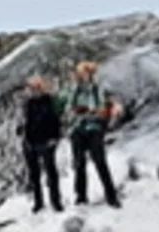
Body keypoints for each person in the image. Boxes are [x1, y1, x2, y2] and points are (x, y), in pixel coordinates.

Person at [62, 61, 122, 208]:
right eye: (81, 73)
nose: (83, 76)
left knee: (100, 162)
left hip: (94, 128)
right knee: (79, 164)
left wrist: (92, 112)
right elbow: (68, 110)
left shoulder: (98, 90)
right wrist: (76, 113)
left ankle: (111, 195)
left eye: (86, 73)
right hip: (78, 129)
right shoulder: (74, 91)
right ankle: (81, 197)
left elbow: (103, 109)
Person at [19, 76, 64, 213]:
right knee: (34, 175)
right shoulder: (28, 104)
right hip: (31, 142)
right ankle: (39, 202)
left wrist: (55, 138)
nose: (33, 91)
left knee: (51, 172)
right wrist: (25, 138)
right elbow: (26, 122)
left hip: (46, 141)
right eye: (31, 88)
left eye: (35, 88)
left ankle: (55, 201)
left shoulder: (49, 101)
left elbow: (56, 120)